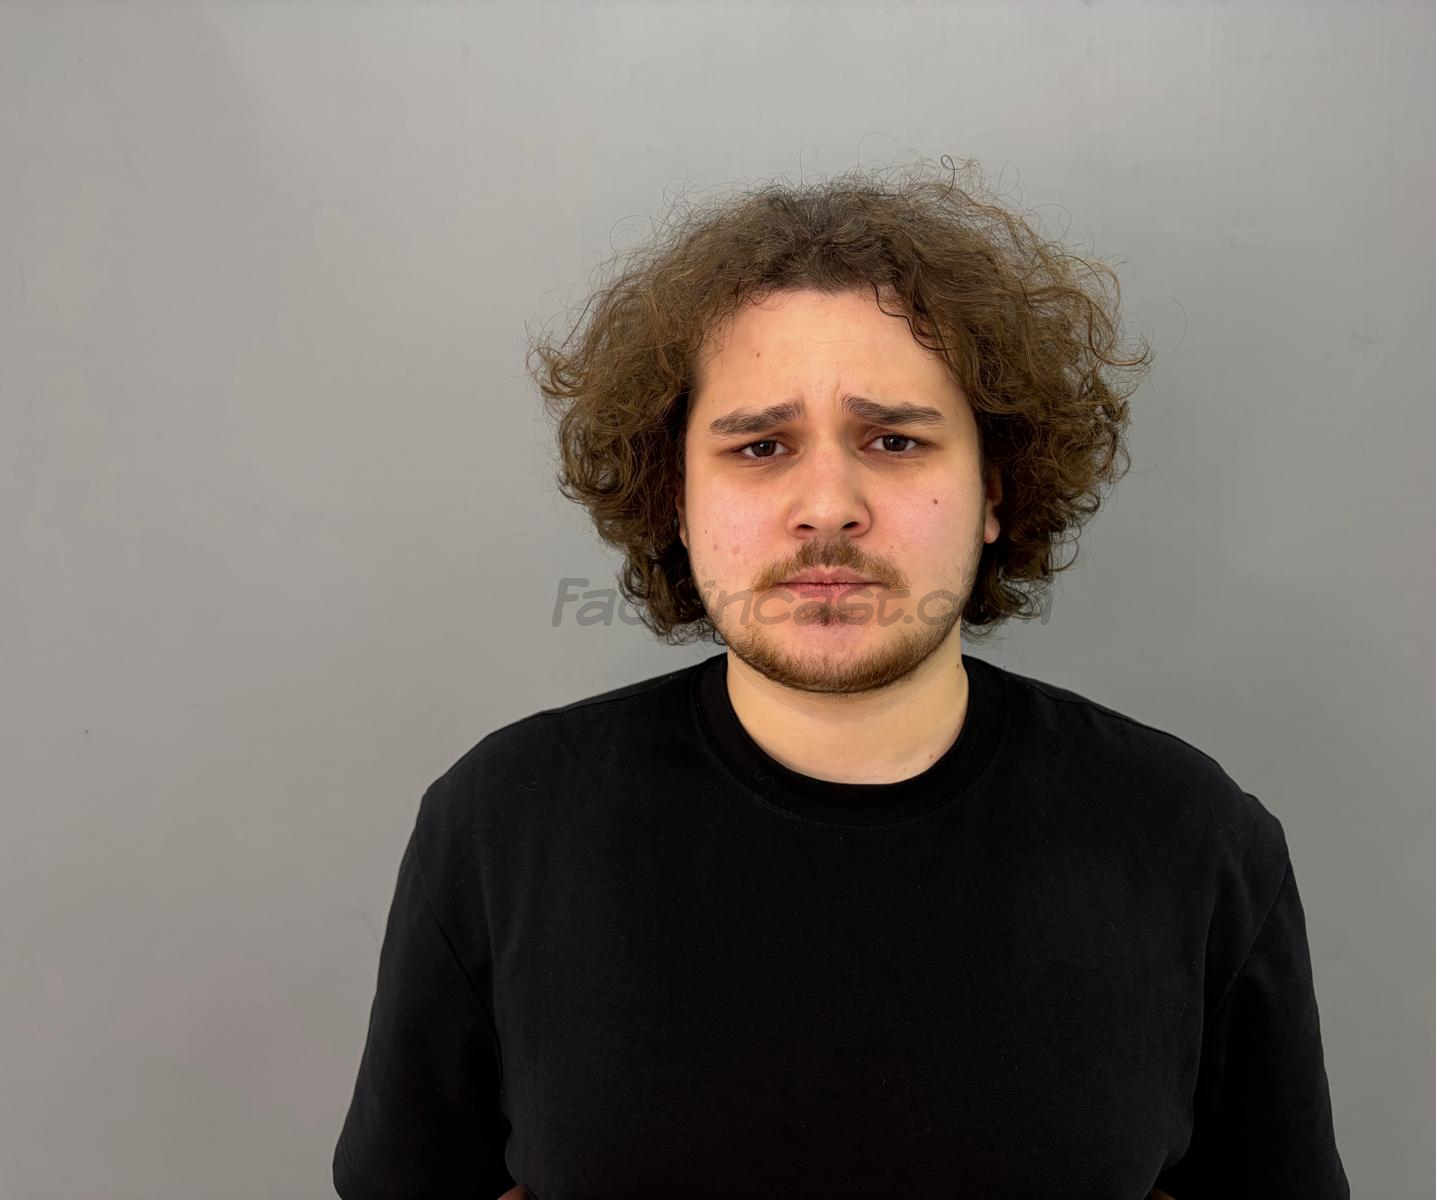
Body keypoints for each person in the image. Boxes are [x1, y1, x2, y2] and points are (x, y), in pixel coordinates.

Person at [332, 158, 1350, 1199]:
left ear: (995, 491)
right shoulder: (503, 824)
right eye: (760, 446)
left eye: (895, 440)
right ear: (675, 497)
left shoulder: (1192, 839)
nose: (828, 505)